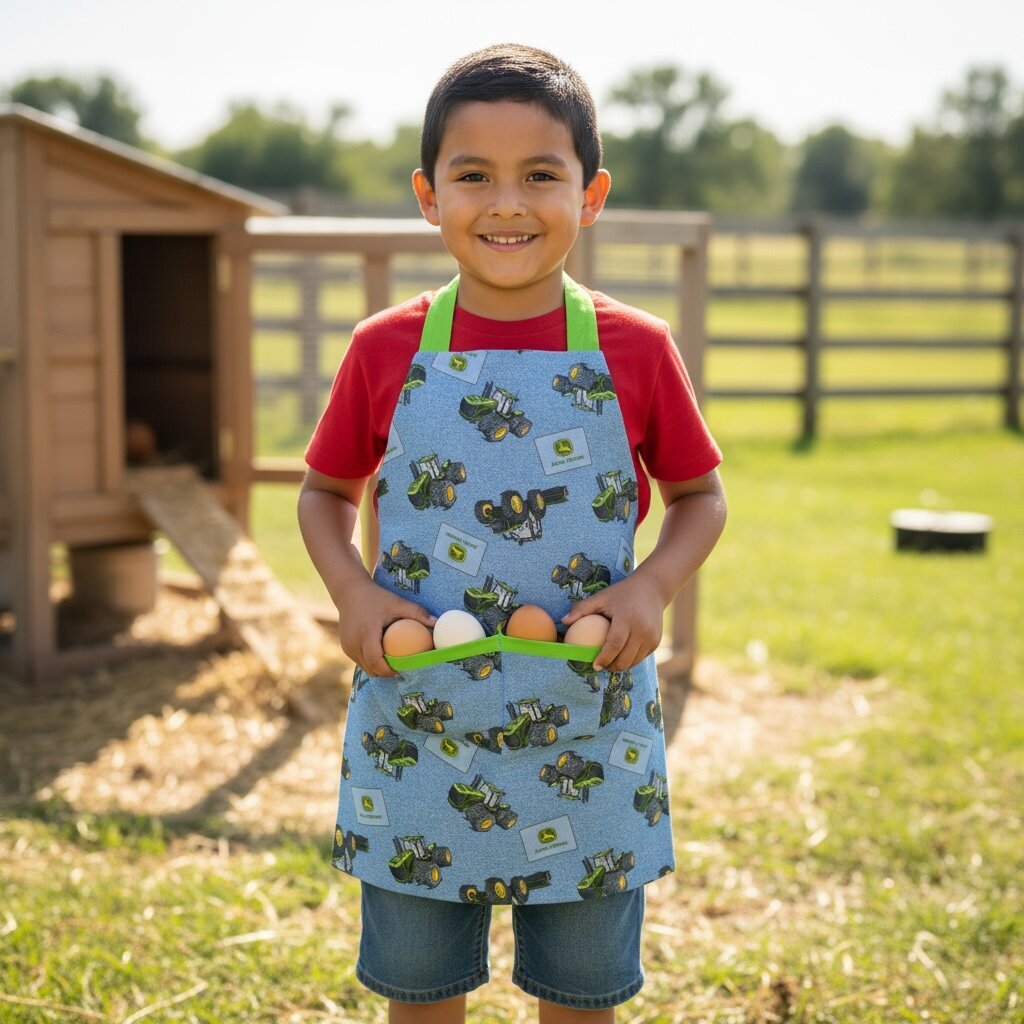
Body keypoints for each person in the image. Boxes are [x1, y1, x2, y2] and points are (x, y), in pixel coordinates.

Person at [298, 43, 726, 1024]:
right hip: (418, 730)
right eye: (472, 175)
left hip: (589, 725)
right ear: (426, 193)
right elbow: (323, 492)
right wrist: (355, 593)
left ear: (591, 194)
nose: (506, 203)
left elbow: (701, 495)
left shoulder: (636, 348)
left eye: (541, 174)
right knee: (420, 988)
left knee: (581, 994)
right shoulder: (383, 347)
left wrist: (652, 584)